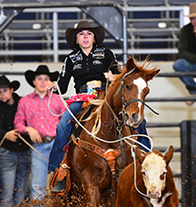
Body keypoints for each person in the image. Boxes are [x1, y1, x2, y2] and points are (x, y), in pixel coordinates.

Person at [47, 20, 151, 193]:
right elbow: (63, 85)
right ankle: (59, 169)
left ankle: (146, 158)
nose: (85, 37)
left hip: (106, 97)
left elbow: (121, 76)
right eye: (81, 34)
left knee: (139, 120)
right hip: (82, 98)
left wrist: (114, 77)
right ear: (77, 39)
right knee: (62, 126)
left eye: (88, 33)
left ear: (94, 37)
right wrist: (54, 87)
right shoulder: (70, 59)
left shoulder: (106, 53)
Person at [14, 65, 65, 207]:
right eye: (39, 79)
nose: (43, 82)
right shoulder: (25, 101)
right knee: (37, 186)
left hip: (57, 146)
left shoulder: (57, 100)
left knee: (60, 184)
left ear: (50, 82)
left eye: (46, 79)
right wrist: (28, 129)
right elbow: (18, 123)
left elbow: (67, 121)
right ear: (34, 82)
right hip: (38, 147)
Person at [0, 75, 31, 207]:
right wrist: (5, 135)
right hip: (6, 153)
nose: (2, 95)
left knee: (21, 192)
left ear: (11, 89)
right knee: (7, 193)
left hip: (24, 151)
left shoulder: (23, 103)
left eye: (4, 91)